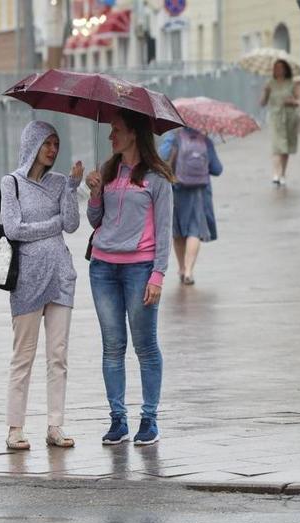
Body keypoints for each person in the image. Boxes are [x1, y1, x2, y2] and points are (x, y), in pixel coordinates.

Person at [85, 109, 174, 445]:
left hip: (140, 269)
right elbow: (96, 220)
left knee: (145, 347)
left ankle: (149, 420)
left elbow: (164, 231)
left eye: (117, 130)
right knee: (112, 346)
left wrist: (158, 275)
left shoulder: (157, 178)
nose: (111, 136)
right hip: (103, 268)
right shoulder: (109, 172)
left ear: (135, 133)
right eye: (110, 131)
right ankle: (117, 420)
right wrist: (95, 193)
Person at [0, 120, 83, 450]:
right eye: (47, 143)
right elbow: (14, 228)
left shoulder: (61, 183)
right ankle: (15, 428)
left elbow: (73, 225)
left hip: (60, 276)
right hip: (27, 282)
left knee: (58, 356)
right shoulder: (12, 184)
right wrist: (52, 225)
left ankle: (55, 425)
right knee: (23, 356)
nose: (52, 150)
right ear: (32, 144)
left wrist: (73, 190)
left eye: (56, 144)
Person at [158, 126, 223, 286]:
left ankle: (181, 268)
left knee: (178, 231)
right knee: (195, 230)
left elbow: (161, 157)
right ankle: (189, 271)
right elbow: (217, 169)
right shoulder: (205, 140)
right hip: (199, 193)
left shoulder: (173, 136)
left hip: (176, 190)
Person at [260, 58, 300, 186]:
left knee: (285, 148)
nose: (278, 70)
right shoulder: (269, 84)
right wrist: (265, 92)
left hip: (289, 118)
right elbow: (262, 103)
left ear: (285, 69)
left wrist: (291, 102)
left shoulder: (291, 83)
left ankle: (283, 173)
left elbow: (298, 102)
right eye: (276, 67)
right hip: (275, 118)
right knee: (277, 146)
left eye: (280, 67)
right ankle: (276, 174)